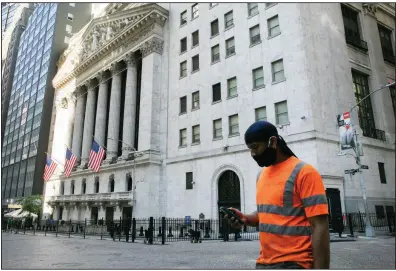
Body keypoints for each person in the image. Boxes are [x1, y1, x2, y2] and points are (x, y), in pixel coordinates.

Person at [225, 121, 330, 269]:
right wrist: (245, 218)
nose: (253, 154)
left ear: (273, 141)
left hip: (295, 263)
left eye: (255, 147)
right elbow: (267, 213)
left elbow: (320, 226)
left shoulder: (305, 173)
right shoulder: (261, 175)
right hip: (264, 263)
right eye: (250, 149)